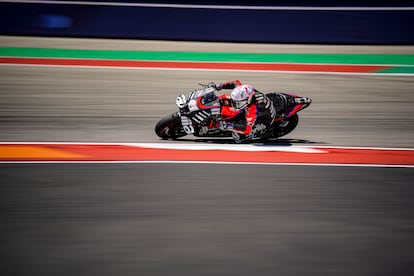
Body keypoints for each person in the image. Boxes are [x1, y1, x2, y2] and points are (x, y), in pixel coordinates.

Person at [212, 80, 277, 143]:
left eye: (238, 103)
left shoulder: (253, 111)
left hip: (264, 120)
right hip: (264, 106)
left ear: (248, 100)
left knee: (238, 137)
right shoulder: (246, 91)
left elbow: (248, 129)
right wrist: (219, 86)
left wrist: (229, 125)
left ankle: (248, 138)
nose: (235, 105)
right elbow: (235, 83)